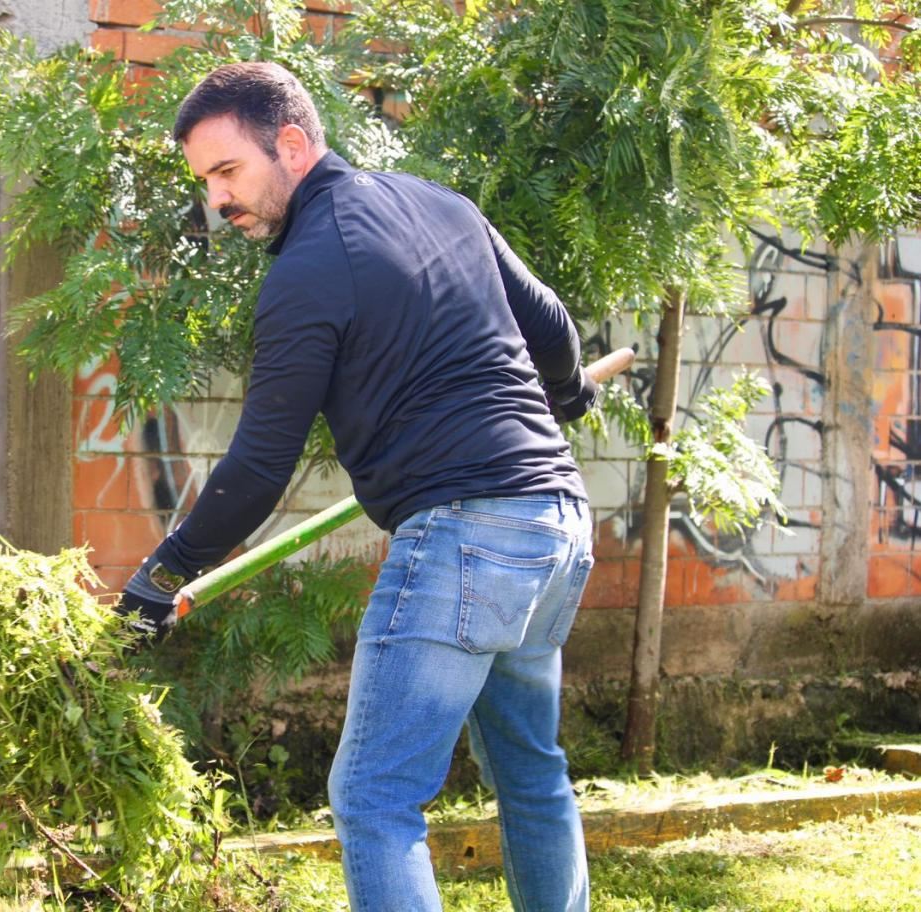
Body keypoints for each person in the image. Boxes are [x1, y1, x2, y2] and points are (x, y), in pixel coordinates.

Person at [119, 61, 597, 912]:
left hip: (467, 538)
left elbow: (260, 466)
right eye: (206, 181)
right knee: (530, 770)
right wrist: (567, 394)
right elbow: (551, 325)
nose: (217, 200)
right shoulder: (443, 206)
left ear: (292, 144)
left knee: (374, 796)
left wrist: (164, 572)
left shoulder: (309, 269)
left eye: (227, 171)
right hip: (555, 522)